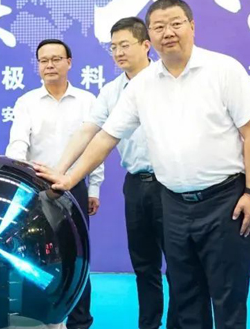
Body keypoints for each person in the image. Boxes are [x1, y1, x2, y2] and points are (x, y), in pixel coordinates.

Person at [37, 0, 250, 329]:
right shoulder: (142, 85)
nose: (167, 32)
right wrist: (69, 178)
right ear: (151, 36)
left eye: (175, 24)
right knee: (186, 296)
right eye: (159, 26)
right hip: (172, 203)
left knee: (228, 295)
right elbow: (105, 136)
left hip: (224, 202)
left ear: (191, 26)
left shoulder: (224, 69)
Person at [54, 17, 175, 329]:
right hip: (136, 185)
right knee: (144, 265)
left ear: (146, 45)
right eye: (113, 47)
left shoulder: (168, 80)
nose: (118, 52)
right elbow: (89, 132)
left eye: (125, 45)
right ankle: (149, 325)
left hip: (171, 184)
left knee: (179, 265)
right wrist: (60, 170)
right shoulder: (111, 91)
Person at [5, 39, 104, 329]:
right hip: (37, 190)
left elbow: (95, 148)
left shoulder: (87, 101)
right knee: (32, 256)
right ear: (38, 65)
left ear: (69, 62)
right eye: (43, 60)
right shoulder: (26, 102)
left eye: (56, 59)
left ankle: (79, 321)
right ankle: (36, 320)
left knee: (77, 257)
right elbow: (18, 142)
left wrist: (94, 188)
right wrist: (17, 175)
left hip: (74, 188)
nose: (50, 65)